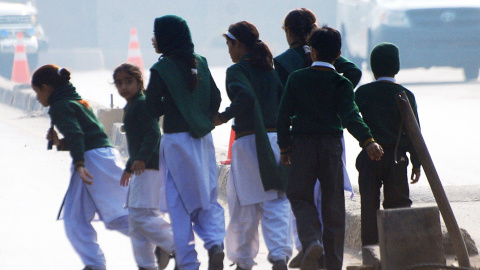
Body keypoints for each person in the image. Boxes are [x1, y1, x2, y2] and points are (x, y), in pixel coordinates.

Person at [276, 26, 384, 270]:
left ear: (312, 52)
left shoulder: (297, 78)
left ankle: (312, 240)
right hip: (331, 146)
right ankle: (333, 264)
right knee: (333, 204)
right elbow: (351, 116)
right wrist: (368, 141)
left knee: (299, 196)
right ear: (339, 53)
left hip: (302, 144)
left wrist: (284, 148)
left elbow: (283, 116)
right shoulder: (342, 82)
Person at [145, 15, 226, 270]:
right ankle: (215, 244)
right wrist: (199, 115)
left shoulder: (162, 69)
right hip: (203, 140)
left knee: (178, 203)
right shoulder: (200, 62)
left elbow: (151, 109)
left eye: (156, 35)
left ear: (166, 38)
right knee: (206, 196)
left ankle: (188, 262)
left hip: (176, 142)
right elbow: (216, 98)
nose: (153, 40)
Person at [31, 65, 130, 270]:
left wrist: (79, 164)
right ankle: (94, 265)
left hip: (93, 161)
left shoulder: (60, 106)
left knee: (117, 215)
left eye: (37, 92)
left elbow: (77, 136)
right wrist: (60, 144)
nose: (38, 98)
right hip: (97, 157)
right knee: (75, 218)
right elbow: (85, 135)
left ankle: (167, 241)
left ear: (46, 88)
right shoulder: (75, 101)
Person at [214, 21, 293, 270]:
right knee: (276, 200)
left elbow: (245, 97)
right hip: (275, 141)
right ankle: (279, 254)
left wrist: (223, 117)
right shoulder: (271, 71)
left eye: (229, 44)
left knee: (244, 204)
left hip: (250, 142)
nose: (228, 50)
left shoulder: (237, 71)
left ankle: (244, 260)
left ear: (238, 43)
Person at [354, 42, 421, 247]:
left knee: (369, 206)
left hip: (369, 155)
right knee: (399, 205)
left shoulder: (363, 93)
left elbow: (352, 119)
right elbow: (414, 133)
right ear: (397, 68)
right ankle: (398, 249)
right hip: (396, 158)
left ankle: (371, 250)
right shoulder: (405, 95)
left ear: (373, 69)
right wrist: (417, 163)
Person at [113, 63, 174, 270]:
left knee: (142, 214)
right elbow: (137, 140)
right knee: (136, 221)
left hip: (149, 166)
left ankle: (176, 244)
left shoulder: (141, 103)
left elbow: (153, 133)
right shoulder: (131, 105)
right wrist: (129, 166)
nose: (124, 87)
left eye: (129, 82)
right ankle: (147, 265)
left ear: (140, 82)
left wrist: (139, 159)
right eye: (119, 83)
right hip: (140, 165)